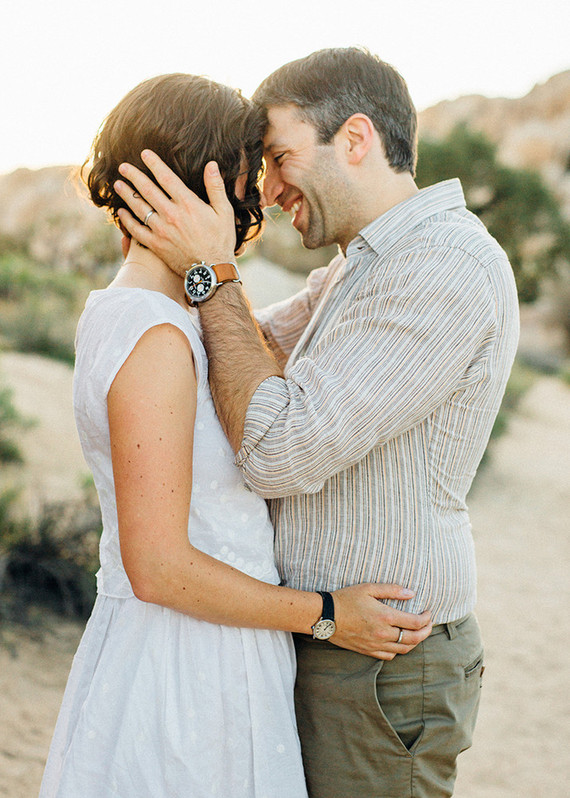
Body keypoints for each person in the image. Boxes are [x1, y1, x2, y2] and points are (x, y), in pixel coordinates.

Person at [114, 48, 520, 798]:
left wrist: (211, 271)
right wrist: (151, 283)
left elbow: (275, 447)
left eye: (279, 158)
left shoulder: (442, 266)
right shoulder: (359, 266)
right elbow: (233, 356)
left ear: (355, 138)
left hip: (378, 665)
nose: (267, 192)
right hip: (323, 640)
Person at [39, 72, 433, 798]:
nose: (264, 199)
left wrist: (209, 270)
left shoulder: (164, 315)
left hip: (214, 653)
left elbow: (265, 365)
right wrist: (328, 616)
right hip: (183, 672)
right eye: (251, 178)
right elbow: (158, 566)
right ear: (207, 185)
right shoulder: (154, 335)